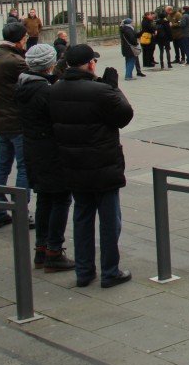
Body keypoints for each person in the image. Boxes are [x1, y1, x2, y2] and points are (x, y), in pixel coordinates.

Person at [49, 44, 134, 288]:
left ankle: (84, 271)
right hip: (102, 163)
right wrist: (113, 89)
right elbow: (124, 115)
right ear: (90, 64)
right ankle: (110, 271)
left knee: (82, 217)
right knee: (109, 220)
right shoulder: (100, 91)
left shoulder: (55, 90)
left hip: (73, 162)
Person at [17, 43, 73, 271]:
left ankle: (41, 248)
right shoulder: (45, 92)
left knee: (44, 199)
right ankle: (54, 251)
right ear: (48, 65)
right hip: (51, 151)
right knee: (60, 198)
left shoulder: (24, 86)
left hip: (33, 149)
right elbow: (59, 118)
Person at [0, 21, 29, 229]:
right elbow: (37, 79)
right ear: (20, 39)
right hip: (18, 121)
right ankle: (21, 211)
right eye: (25, 38)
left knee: (2, 166)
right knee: (24, 168)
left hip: (0, 119)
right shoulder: (15, 61)